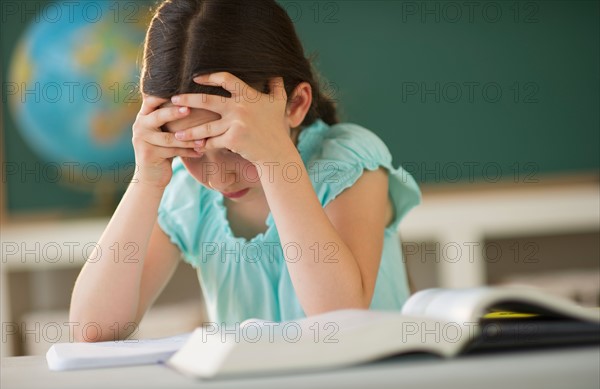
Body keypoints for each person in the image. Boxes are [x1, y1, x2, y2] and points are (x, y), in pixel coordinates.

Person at [69, 0, 421, 342]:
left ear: (295, 105)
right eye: (191, 151)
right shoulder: (187, 195)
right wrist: (145, 180)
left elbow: (339, 319)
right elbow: (93, 329)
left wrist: (277, 163)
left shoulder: (348, 162)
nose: (219, 178)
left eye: (234, 148)